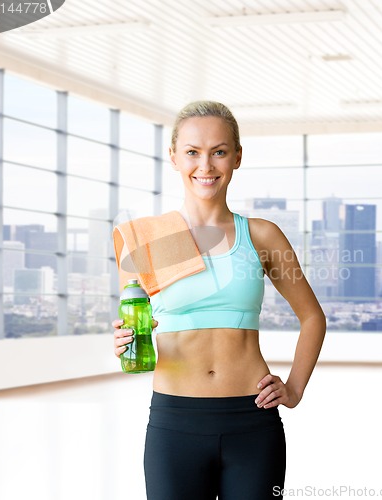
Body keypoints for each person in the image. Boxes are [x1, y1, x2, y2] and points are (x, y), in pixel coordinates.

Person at [112, 101, 326, 500]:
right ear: (174, 157)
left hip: (253, 420)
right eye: (192, 152)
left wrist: (294, 389)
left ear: (237, 157)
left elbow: (312, 317)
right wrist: (124, 340)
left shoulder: (262, 236)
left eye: (219, 151)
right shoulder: (145, 242)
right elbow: (133, 323)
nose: (205, 166)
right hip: (174, 422)